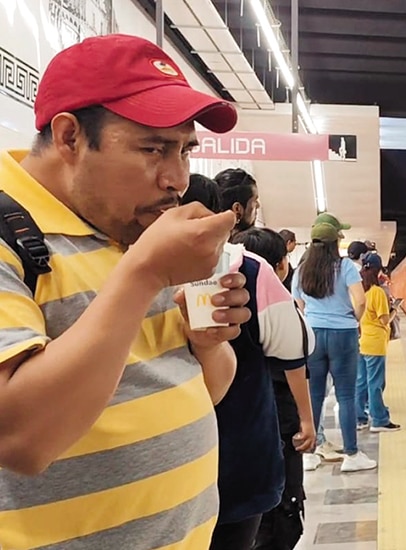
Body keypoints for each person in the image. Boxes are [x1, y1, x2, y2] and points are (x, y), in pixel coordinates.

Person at [0, 34, 249, 549]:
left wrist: (207, 343)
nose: (177, 179)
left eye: (185, 150)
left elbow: (204, 390)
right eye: (152, 148)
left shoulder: (135, 228)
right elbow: (21, 440)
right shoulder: (13, 237)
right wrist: (143, 275)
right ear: (69, 136)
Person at [183, 173, 316, 550]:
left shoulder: (119, 265)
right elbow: (296, 349)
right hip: (240, 459)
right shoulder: (248, 270)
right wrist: (307, 419)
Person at [229, 227, 313, 550]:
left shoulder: (219, 302)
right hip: (277, 419)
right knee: (280, 513)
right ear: (280, 265)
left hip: (236, 430)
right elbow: (296, 364)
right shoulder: (279, 304)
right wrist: (307, 419)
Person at [293, 221, 375, 472]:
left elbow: (298, 304)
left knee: (315, 394)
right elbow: (360, 301)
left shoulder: (302, 270)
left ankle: (309, 454)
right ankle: (351, 454)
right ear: (334, 244)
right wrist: (353, 320)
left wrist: (312, 319)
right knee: (346, 395)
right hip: (343, 335)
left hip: (313, 335)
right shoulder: (346, 266)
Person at [357, 252, 400, 432]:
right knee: (376, 383)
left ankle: (359, 419)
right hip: (375, 344)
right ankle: (379, 420)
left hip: (361, 342)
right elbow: (384, 320)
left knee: (361, 382)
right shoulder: (377, 293)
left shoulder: (359, 290)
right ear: (378, 271)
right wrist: (394, 310)